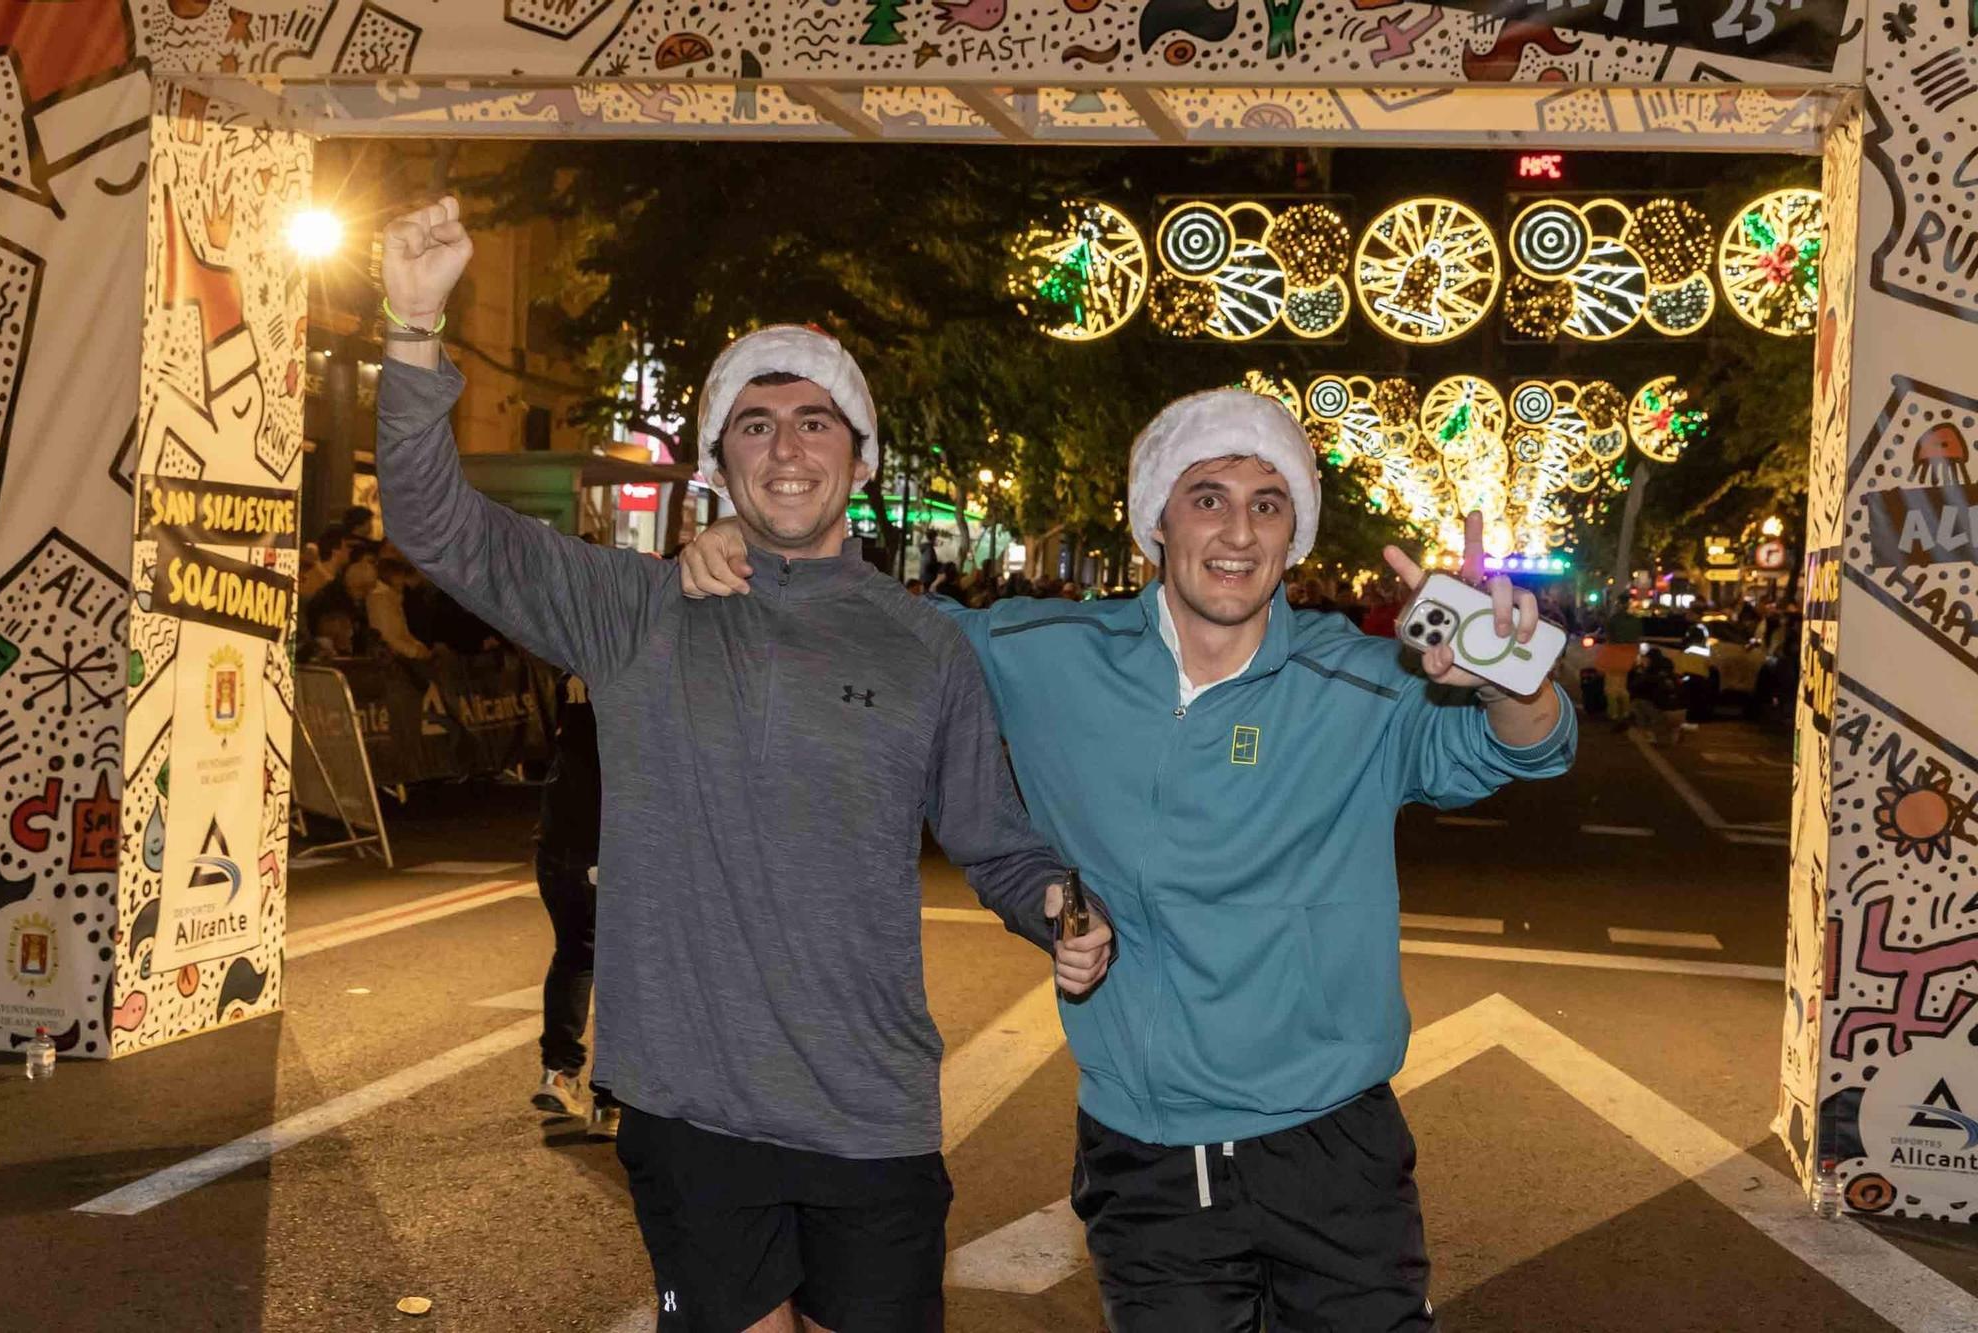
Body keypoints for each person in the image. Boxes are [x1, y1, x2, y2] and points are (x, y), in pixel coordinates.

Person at [682, 387, 1576, 1330]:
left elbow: (1525, 747)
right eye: (1208, 497)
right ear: (1157, 521)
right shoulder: (1049, 650)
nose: (1238, 529)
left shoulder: (1357, 679)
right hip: (1147, 1159)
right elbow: (877, 632)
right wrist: (755, 553)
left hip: (1333, 1148)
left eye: (1267, 503)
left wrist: (1511, 678)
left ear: (1294, 535)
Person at [374, 195, 1112, 1333]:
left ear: (858, 458)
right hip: (692, 1099)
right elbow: (435, 524)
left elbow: (994, 838)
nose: (786, 447)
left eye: (816, 422)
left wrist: (1061, 908)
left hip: (871, 1103)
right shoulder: (633, 610)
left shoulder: (927, 645)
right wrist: (414, 326)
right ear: (718, 459)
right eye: (756, 425)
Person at [530, 582, 621, 1138]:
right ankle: (611, 1101)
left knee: (576, 953)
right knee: (626, 968)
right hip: (615, 838)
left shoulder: (570, 671)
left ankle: (560, 1072)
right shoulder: (638, 668)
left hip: (560, 835)